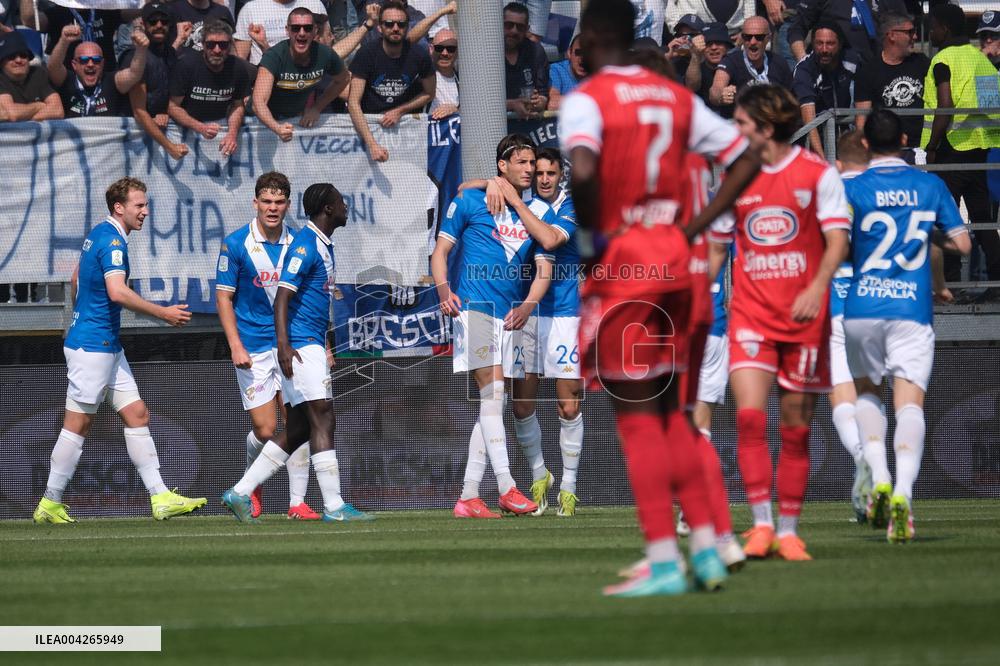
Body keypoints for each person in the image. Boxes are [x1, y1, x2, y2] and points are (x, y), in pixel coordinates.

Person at [559, 0, 761, 596]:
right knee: (675, 415)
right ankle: (704, 548)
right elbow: (746, 158)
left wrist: (593, 240)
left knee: (637, 418)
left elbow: (587, 172)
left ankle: (663, 561)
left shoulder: (587, 99)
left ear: (594, 35)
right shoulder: (676, 98)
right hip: (679, 263)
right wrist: (695, 228)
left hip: (625, 267)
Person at [707, 84, 850, 562]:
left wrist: (816, 288)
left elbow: (836, 241)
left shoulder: (817, 173)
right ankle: (762, 525)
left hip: (805, 317)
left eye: (742, 123)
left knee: (796, 427)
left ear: (765, 128)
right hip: (750, 315)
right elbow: (716, 246)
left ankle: (789, 529)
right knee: (748, 418)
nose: (735, 131)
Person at [32, 177, 206, 524]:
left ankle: (160, 497)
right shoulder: (113, 240)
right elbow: (117, 292)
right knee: (77, 425)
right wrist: (163, 313)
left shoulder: (99, 232)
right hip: (93, 347)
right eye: (139, 205)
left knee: (138, 414)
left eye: (145, 204)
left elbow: (75, 281)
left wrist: (83, 316)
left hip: (104, 344)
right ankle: (49, 502)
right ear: (119, 208)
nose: (145, 211)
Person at [843, 109, 971, 542]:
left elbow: (838, 245)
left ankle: (879, 475)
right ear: (902, 138)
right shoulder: (929, 184)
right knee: (910, 405)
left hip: (861, 305)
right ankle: (903, 493)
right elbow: (962, 245)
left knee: (866, 394)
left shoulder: (851, 187)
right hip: (911, 309)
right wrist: (928, 248)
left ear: (864, 144)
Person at [223, 182, 374, 524]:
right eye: (341, 201)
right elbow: (282, 298)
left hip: (309, 343)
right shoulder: (306, 246)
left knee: (299, 429)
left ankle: (240, 491)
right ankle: (334, 506)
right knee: (324, 418)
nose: (346, 206)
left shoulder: (319, 244)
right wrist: (284, 347)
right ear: (328, 208)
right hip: (302, 346)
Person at [431, 134, 555, 521]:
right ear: (503, 165)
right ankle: (506, 487)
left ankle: (468, 496)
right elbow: (440, 252)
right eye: (522, 163)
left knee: (492, 403)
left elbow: (544, 270)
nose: (530, 170)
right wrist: (443, 290)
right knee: (495, 394)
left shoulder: (537, 212)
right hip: (476, 309)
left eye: (532, 165)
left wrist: (529, 305)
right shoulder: (470, 200)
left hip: (511, 318)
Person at [468, 147, 585, 517]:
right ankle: (539, 474)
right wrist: (490, 183)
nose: (545, 178)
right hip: (526, 317)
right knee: (520, 405)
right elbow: (465, 187)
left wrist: (516, 201)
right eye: (540, 173)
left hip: (565, 316)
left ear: (560, 176)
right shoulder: (525, 201)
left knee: (568, 405)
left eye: (551, 173)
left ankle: (568, 486)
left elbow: (549, 240)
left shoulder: (569, 208)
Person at [216, 172, 321, 521]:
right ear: (255, 203)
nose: (272, 208)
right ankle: (253, 481)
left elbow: (312, 299)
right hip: (253, 347)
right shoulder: (235, 244)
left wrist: (324, 345)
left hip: (293, 344)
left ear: (288, 205)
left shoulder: (300, 244)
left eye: (279, 202)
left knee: (297, 422)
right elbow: (223, 298)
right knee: (264, 429)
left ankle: (297, 503)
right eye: (266, 201)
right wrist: (235, 345)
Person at [922, 3, 1000, 299]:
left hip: (950, 151)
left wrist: (932, 147)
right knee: (983, 221)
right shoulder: (980, 60)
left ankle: (950, 285)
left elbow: (945, 104)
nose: (930, 31)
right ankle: (996, 283)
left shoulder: (943, 59)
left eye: (934, 26)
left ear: (947, 28)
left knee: (945, 221)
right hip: (980, 150)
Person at [830, 129, 872, 523]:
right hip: (883, 302)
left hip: (835, 305)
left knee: (841, 394)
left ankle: (864, 460)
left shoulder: (827, 192)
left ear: (837, 163)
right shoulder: (888, 188)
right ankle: (878, 466)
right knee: (875, 396)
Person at [348, 0, 434, 161]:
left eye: (401, 24)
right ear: (380, 28)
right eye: (389, 24)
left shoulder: (420, 55)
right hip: (367, 127)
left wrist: (399, 111)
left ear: (407, 27)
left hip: (403, 129)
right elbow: (353, 102)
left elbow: (429, 93)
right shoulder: (366, 54)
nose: (395, 28)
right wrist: (372, 144)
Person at [254, 8, 349, 142]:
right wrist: (277, 127)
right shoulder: (274, 56)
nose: (302, 33)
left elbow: (343, 79)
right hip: (260, 122)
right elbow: (258, 103)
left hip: (293, 120)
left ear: (315, 30)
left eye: (307, 28)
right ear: (287, 30)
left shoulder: (325, 54)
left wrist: (317, 107)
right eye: (296, 28)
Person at [168, 20, 250, 157]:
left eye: (223, 45)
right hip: (187, 130)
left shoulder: (238, 67)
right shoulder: (186, 65)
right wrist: (200, 127)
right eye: (211, 45)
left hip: (221, 127)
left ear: (230, 45)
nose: (217, 50)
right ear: (203, 45)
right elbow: (172, 106)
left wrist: (232, 134)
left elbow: (237, 105)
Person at [854, 12, 929, 159]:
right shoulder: (868, 71)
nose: (915, 37)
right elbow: (861, 120)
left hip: (920, 149)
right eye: (910, 32)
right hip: (885, 152)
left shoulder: (922, 63)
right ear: (892, 35)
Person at [123, 3, 187, 161]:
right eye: (153, 21)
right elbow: (139, 112)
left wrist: (165, 112)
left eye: (164, 21)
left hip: (161, 131)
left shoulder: (171, 55)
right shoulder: (135, 58)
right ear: (143, 25)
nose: (159, 25)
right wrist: (170, 147)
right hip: (133, 140)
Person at [48, 25, 147, 118]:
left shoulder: (113, 81)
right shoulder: (67, 80)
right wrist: (64, 41)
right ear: (74, 65)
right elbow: (53, 66)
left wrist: (141, 50)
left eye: (96, 60)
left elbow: (134, 73)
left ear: (102, 63)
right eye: (84, 60)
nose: (90, 64)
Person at [792, 21, 859, 156]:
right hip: (813, 137)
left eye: (830, 43)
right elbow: (809, 121)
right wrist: (823, 160)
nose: (824, 50)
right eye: (819, 43)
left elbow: (865, 101)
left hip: (846, 133)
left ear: (840, 45)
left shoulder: (852, 60)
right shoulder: (804, 70)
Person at [710, 16, 793, 111]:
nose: (753, 42)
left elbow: (790, 98)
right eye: (747, 37)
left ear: (768, 38)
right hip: (738, 122)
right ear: (742, 38)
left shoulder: (779, 62)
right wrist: (721, 96)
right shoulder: (731, 60)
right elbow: (716, 89)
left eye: (759, 37)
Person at [789, 0, 907, 65]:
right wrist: (803, 61)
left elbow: (903, 27)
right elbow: (797, 29)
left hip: (874, 68)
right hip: (833, 71)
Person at [234, 0, 328, 65]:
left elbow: (326, 44)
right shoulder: (251, 8)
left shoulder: (314, 4)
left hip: (308, 76)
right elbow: (240, 57)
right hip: (263, 76)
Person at [0, 30, 63, 122]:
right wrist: (38, 106)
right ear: (1, 63)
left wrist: (29, 123)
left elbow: (58, 111)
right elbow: (12, 114)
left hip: (36, 134)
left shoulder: (38, 73)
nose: (18, 60)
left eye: (23, 55)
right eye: (11, 56)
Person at [503, 2, 548, 119]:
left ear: (527, 29)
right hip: (493, 125)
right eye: (509, 25)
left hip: (529, 124)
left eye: (520, 27)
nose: (514, 31)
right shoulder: (487, 53)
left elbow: (543, 93)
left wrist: (539, 102)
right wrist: (513, 104)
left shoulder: (535, 51)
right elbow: (479, 101)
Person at [685, 22, 733, 116]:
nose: (714, 47)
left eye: (718, 43)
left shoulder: (736, 66)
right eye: (708, 44)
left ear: (727, 46)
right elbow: (691, 87)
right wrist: (695, 55)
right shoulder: (697, 68)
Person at [165, 0, 235, 56]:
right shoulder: (173, 10)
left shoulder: (222, 12)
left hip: (215, 69)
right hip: (183, 69)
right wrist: (179, 40)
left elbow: (231, 48)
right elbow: (165, 54)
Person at [547, 35, 583, 111]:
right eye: (579, 53)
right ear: (569, 53)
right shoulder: (556, 70)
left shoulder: (598, 73)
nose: (582, 60)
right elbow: (553, 103)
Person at [428, 28, 457, 119]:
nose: (445, 53)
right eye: (439, 48)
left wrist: (455, 110)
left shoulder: (466, 80)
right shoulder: (422, 78)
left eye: (450, 49)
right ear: (431, 49)